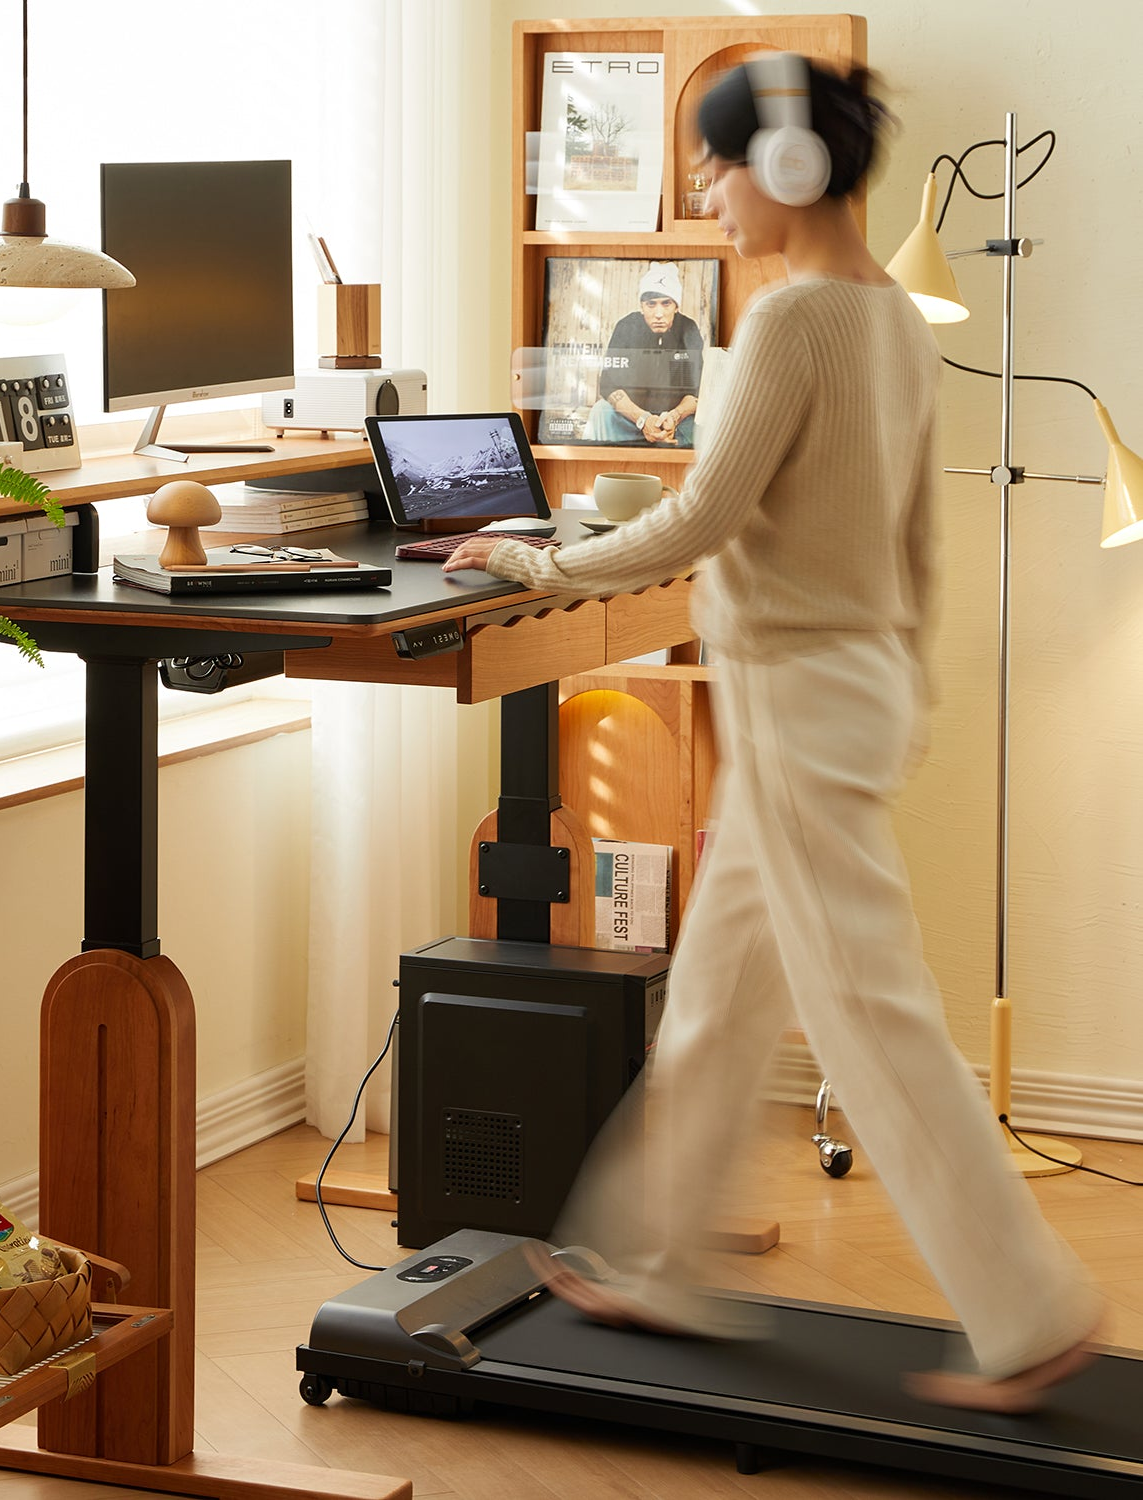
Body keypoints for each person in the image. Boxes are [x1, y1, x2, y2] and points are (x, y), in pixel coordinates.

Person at [443, 56, 1103, 1414]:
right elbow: (920, 541)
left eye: (716, 166)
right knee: (723, 997)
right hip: (845, 689)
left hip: (798, 699)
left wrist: (530, 565)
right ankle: (654, 1257)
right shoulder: (897, 320)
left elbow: (696, 523)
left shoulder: (792, 322)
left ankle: (1033, 1311)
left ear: (788, 172)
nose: (705, 194)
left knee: (870, 1014)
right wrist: (903, 687)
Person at [581, 261, 703, 446]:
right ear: (642, 306)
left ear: (676, 306)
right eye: (651, 304)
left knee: (707, 419)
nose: (659, 313)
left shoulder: (688, 328)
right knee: (600, 410)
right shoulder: (626, 327)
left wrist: (674, 418)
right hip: (630, 419)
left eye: (666, 304)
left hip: (674, 420)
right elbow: (609, 384)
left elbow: (696, 390)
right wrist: (643, 419)